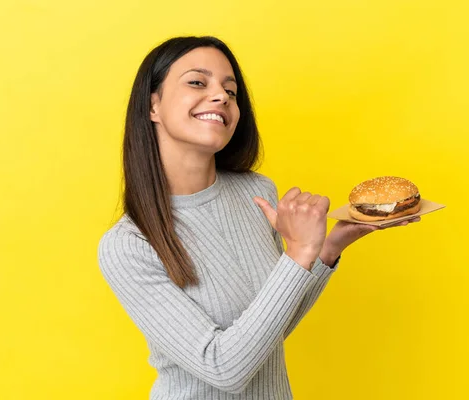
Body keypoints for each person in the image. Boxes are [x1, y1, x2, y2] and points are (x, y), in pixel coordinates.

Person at [97, 35, 420, 400]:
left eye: (230, 91)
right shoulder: (128, 245)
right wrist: (298, 254)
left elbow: (268, 333)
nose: (221, 96)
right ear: (152, 105)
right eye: (197, 82)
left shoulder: (257, 193)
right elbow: (224, 369)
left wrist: (329, 247)